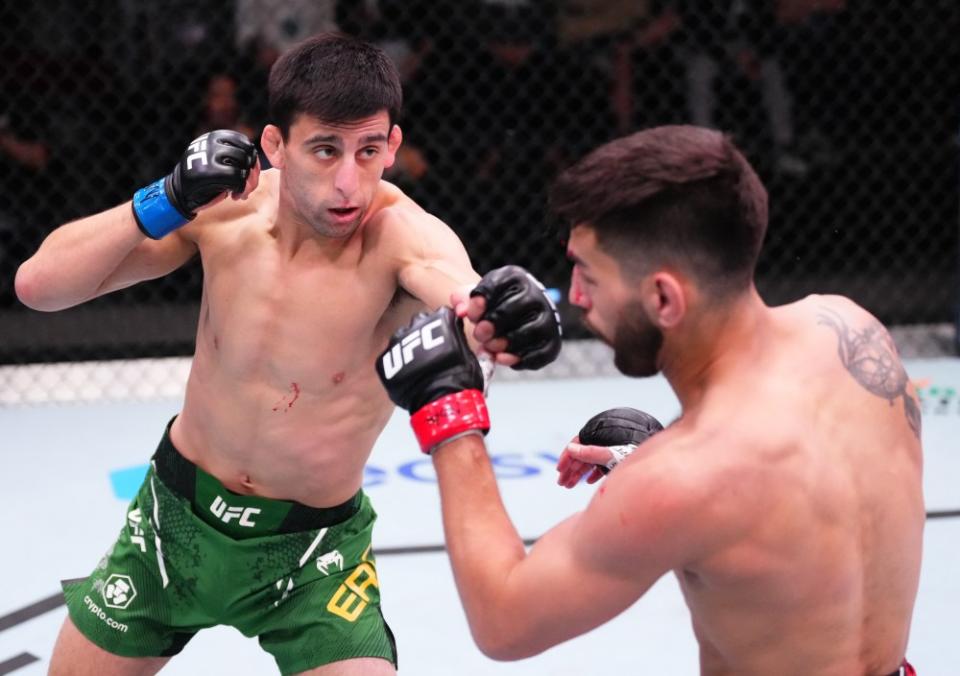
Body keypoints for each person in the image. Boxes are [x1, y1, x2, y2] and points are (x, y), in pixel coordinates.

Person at [14, 33, 561, 676]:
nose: (349, 182)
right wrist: (163, 197)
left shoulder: (400, 236)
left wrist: (502, 315)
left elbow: (461, 292)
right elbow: (39, 287)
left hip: (314, 556)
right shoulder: (225, 211)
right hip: (173, 522)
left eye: (370, 150)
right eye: (325, 150)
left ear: (394, 145)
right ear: (274, 145)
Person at [376, 125, 923, 675]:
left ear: (663, 297)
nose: (577, 296)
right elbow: (802, 519)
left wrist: (449, 411)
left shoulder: (682, 478)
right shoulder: (852, 329)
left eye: (588, 274)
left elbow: (504, 621)